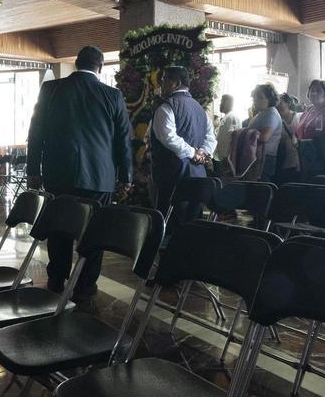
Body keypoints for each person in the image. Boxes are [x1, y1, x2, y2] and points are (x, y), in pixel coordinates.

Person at [26, 45, 132, 299]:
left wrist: (33, 170)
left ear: (75, 63)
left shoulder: (51, 89)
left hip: (58, 173)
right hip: (99, 177)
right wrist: (125, 177)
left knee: (59, 229)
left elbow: (36, 132)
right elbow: (123, 140)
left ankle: (56, 279)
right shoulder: (112, 95)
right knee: (93, 232)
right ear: (101, 67)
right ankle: (85, 285)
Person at [148, 66, 214, 216]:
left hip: (172, 175)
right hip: (197, 174)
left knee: (168, 221)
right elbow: (210, 137)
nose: (161, 85)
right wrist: (203, 152)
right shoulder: (200, 109)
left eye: (164, 80)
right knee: (192, 222)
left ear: (176, 84)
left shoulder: (166, 107)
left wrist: (193, 153)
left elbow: (168, 137)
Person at [241, 83, 283, 181]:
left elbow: (264, 137)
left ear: (269, 99)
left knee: (259, 189)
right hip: (255, 157)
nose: (255, 100)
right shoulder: (261, 114)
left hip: (264, 159)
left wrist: (243, 133)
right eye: (255, 97)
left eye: (260, 97)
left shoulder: (271, 113)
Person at [212, 94, 239, 176]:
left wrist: (226, 158)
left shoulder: (231, 118)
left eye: (221, 101)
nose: (220, 104)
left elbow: (230, 139)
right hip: (221, 158)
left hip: (225, 159)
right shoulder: (227, 117)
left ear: (226, 102)